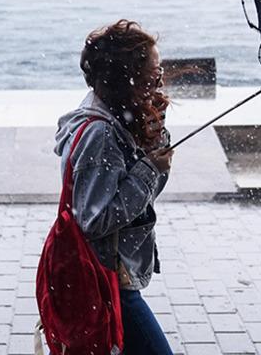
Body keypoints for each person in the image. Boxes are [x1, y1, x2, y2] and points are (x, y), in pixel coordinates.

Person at [53, 19, 174, 354]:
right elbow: (95, 219)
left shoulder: (115, 117)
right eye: (153, 74)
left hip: (109, 274)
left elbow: (144, 198)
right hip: (105, 277)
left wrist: (154, 138)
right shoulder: (101, 134)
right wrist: (149, 169)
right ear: (128, 78)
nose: (159, 81)